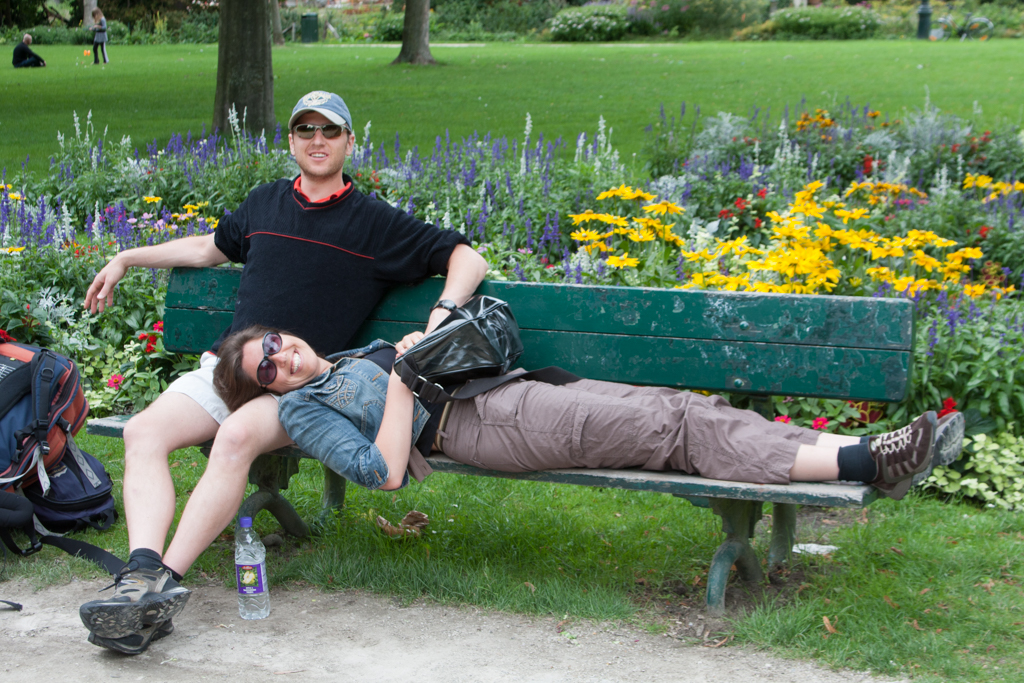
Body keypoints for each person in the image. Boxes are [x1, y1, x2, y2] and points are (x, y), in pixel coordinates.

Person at [76, 90, 488, 655]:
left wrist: (442, 314)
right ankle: (139, 575)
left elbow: (468, 257)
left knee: (237, 435)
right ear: (291, 141)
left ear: (349, 141)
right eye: (305, 131)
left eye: (329, 131)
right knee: (142, 433)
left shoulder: (374, 223)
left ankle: (162, 586)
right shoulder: (265, 201)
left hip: (301, 386)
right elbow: (208, 248)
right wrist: (124, 258)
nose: (316, 141)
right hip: (230, 369)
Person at [213, 326, 966, 503]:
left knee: (681, 408)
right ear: (268, 391)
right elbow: (381, 476)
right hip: (481, 428)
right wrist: (406, 382)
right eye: (266, 368)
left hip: (510, 389)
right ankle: (869, 464)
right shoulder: (308, 412)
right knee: (672, 433)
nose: (280, 357)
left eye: (274, 342)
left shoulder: (352, 354)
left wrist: (421, 345)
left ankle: (864, 446)